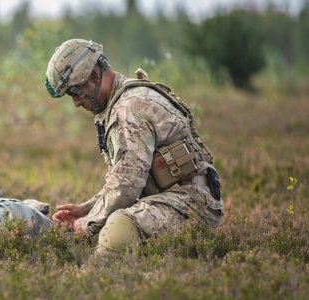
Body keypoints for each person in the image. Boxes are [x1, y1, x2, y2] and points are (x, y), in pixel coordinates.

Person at [45, 39, 224, 258]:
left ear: (93, 76)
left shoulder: (128, 110)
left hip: (190, 207)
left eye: (75, 92)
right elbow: (126, 177)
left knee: (119, 227)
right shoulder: (124, 101)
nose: (76, 103)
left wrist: (88, 222)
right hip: (173, 201)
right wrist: (87, 209)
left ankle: (97, 281)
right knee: (100, 226)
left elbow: (126, 186)